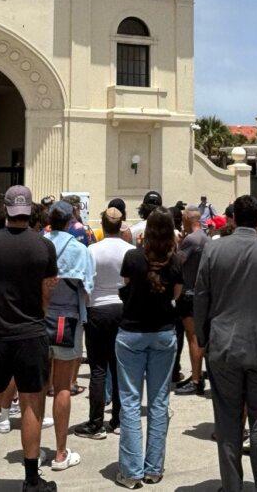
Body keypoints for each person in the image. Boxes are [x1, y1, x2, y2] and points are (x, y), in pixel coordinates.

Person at [194, 194, 257, 492]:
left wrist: (203, 338)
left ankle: (232, 486)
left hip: (224, 346)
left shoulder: (214, 251)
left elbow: (201, 298)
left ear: (233, 219)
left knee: (227, 421)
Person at [0, 185, 58, 492]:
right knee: (32, 405)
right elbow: (49, 287)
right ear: (29, 208)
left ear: (6, 209)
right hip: (31, 331)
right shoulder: (43, 246)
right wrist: (39, 312)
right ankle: (31, 480)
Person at [112, 207, 183, 489]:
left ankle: (131, 471)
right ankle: (153, 467)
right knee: (159, 401)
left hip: (131, 332)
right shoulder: (176, 261)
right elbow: (175, 296)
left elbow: (127, 286)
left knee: (129, 402)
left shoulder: (132, 257)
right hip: (163, 333)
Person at [43, 198, 95, 473]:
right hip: (66, 318)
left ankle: (32, 446)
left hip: (39, 318)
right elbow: (88, 289)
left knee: (37, 386)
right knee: (62, 386)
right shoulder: (79, 250)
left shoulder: (39, 244)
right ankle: (60, 451)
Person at [75, 206, 132, 441]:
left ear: (103, 224)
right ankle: (118, 419)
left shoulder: (92, 250)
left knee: (98, 368)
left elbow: (86, 283)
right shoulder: (130, 250)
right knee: (119, 368)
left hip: (97, 309)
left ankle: (96, 422)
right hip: (121, 309)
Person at [173, 206, 209, 397]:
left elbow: (177, 262)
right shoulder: (205, 238)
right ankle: (197, 376)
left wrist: (177, 245)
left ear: (188, 218)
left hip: (188, 294)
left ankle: (196, 380)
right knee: (197, 337)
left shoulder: (190, 240)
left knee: (192, 337)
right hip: (201, 293)